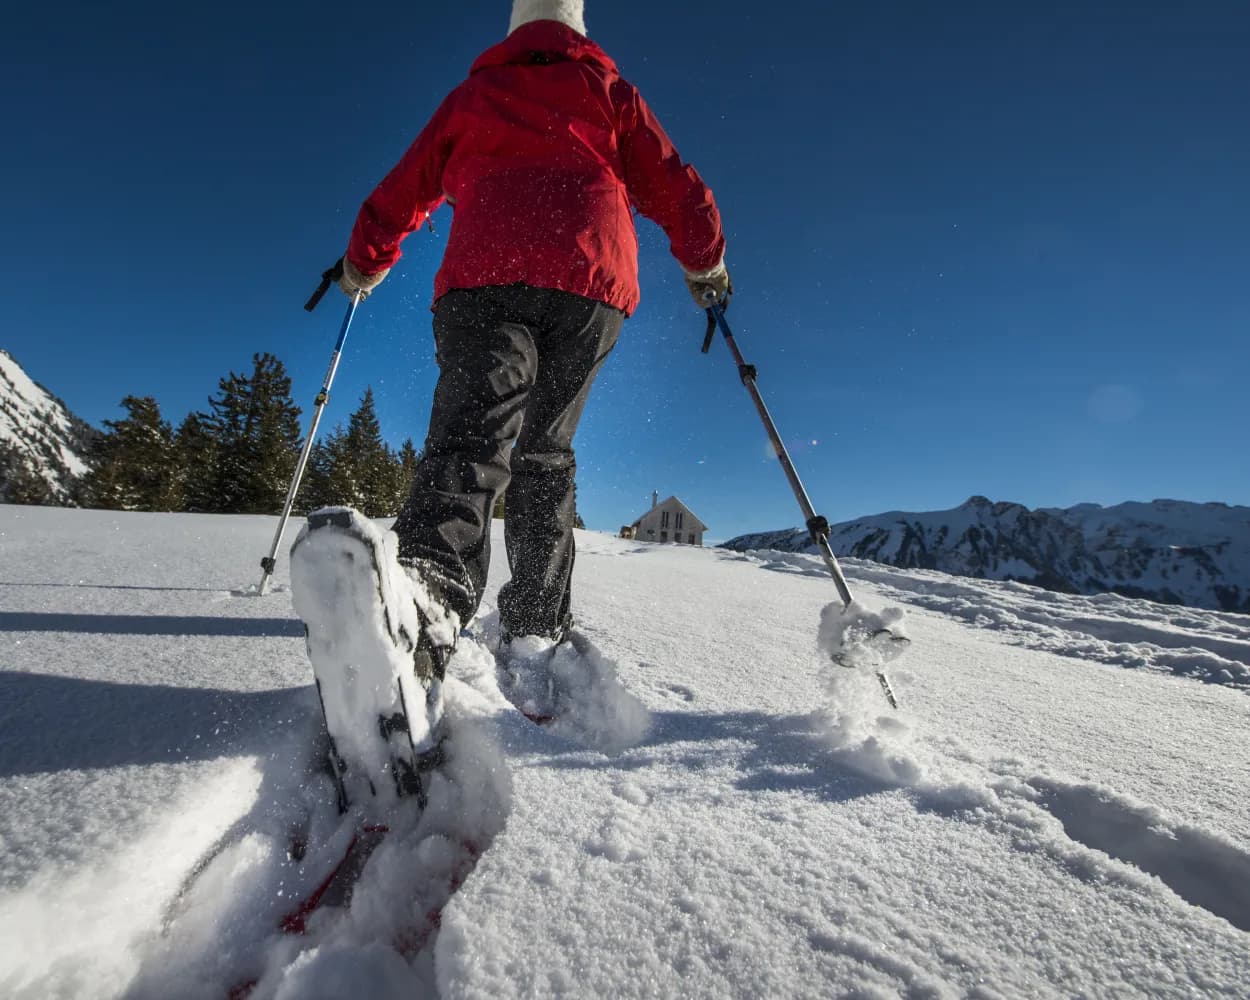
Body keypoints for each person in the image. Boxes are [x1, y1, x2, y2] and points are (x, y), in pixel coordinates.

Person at [333, 0, 729, 680]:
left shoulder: (477, 93)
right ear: (578, 29)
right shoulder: (609, 92)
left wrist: (365, 260)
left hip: (486, 275)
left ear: (515, 30)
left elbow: (407, 185)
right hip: (589, 284)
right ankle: (536, 621)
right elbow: (674, 182)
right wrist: (705, 261)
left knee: (471, 438)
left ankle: (430, 595)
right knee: (547, 450)